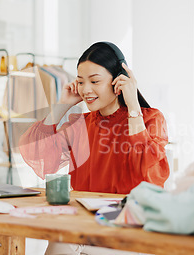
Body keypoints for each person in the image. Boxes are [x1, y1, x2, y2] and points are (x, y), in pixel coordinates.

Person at [19, 42, 169, 254]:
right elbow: (35, 150)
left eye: (95, 81)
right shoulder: (79, 124)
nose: (86, 89)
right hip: (83, 223)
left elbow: (142, 162)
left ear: (118, 81)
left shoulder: (151, 119)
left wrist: (133, 104)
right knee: (56, 246)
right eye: (80, 82)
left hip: (129, 227)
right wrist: (62, 105)